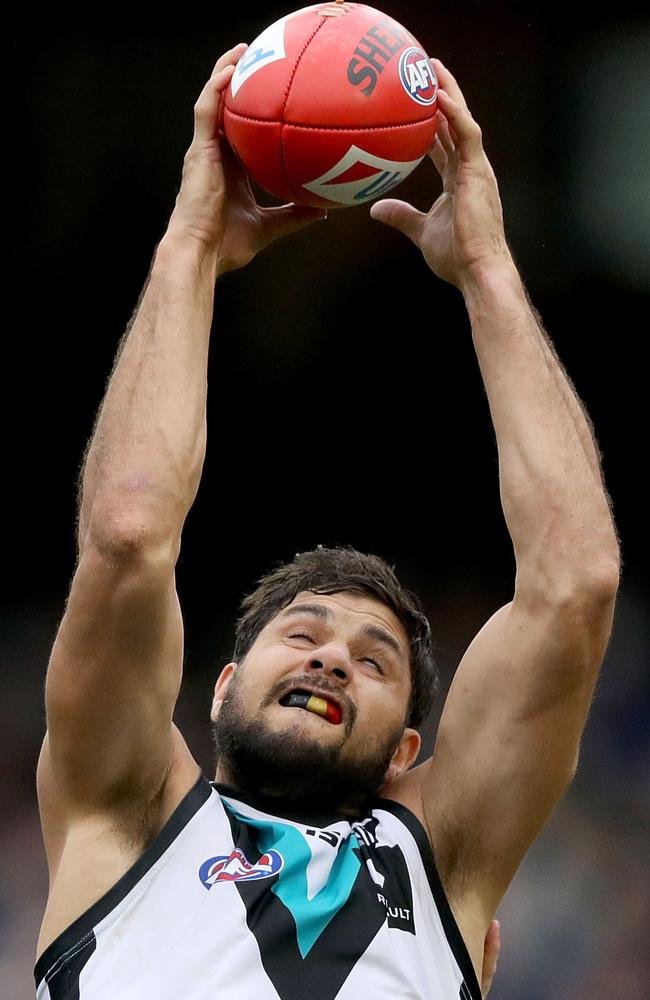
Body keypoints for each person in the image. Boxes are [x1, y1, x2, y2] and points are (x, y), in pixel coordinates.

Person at [34, 40, 619, 1000]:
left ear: (406, 753)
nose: (332, 658)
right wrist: (189, 247)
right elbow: (129, 533)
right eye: (302, 634)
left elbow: (577, 581)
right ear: (219, 690)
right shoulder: (129, 815)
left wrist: (486, 267)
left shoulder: (443, 860)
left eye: (375, 662)